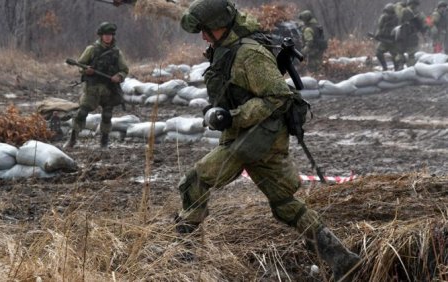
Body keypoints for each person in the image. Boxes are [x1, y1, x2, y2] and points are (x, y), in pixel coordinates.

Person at [178, 0, 361, 281]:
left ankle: (183, 255)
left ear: (221, 27)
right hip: (252, 137)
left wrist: (232, 116)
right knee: (285, 205)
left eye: (206, 29)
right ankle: (342, 258)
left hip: (256, 139)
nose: (202, 36)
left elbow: (277, 96)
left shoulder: (249, 54)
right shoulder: (224, 49)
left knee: (195, 181)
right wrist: (218, 111)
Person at [64, 22, 129, 149]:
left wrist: (119, 76)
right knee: (82, 113)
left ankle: (104, 142)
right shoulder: (91, 49)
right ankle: (72, 140)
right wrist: (85, 70)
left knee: (107, 115)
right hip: (93, 87)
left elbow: (124, 70)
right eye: (105, 34)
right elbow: (80, 65)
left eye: (110, 35)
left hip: (109, 88)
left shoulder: (117, 52)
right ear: (101, 36)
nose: (108, 37)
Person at [397, 0, 427, 67]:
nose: (415, 6)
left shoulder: (403, 11)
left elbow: (425, 25)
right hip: (407, 37)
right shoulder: (419, 14)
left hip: (405, 37)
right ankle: (406, 70)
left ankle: (402, 71)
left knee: (404, 56)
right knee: (409, 56)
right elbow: (425, 25)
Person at [375, 3, 402, 71]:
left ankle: (397, 69)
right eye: (386, 12)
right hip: (384, 40)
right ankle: (384, 67)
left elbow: (400, 30)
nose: (387, 14)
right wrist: (378, 34)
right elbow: (379, 27)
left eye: (388, 12)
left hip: (393, 41)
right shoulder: (383, 18)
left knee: (395, 56)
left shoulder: (397, 19)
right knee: (378, 52)